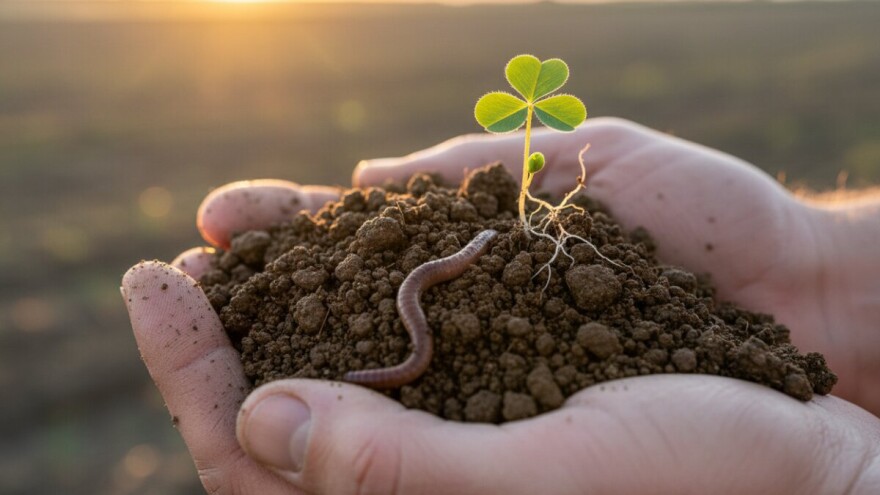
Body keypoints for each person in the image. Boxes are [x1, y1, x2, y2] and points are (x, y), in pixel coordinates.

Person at [122, 117, 880, 494]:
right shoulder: (440, 265)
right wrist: (818, 258)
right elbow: (422, 292)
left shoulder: (497, 252)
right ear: (467, 253)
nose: (480, 249)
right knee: (410, 340)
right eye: (477, 247)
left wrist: (845, 476)